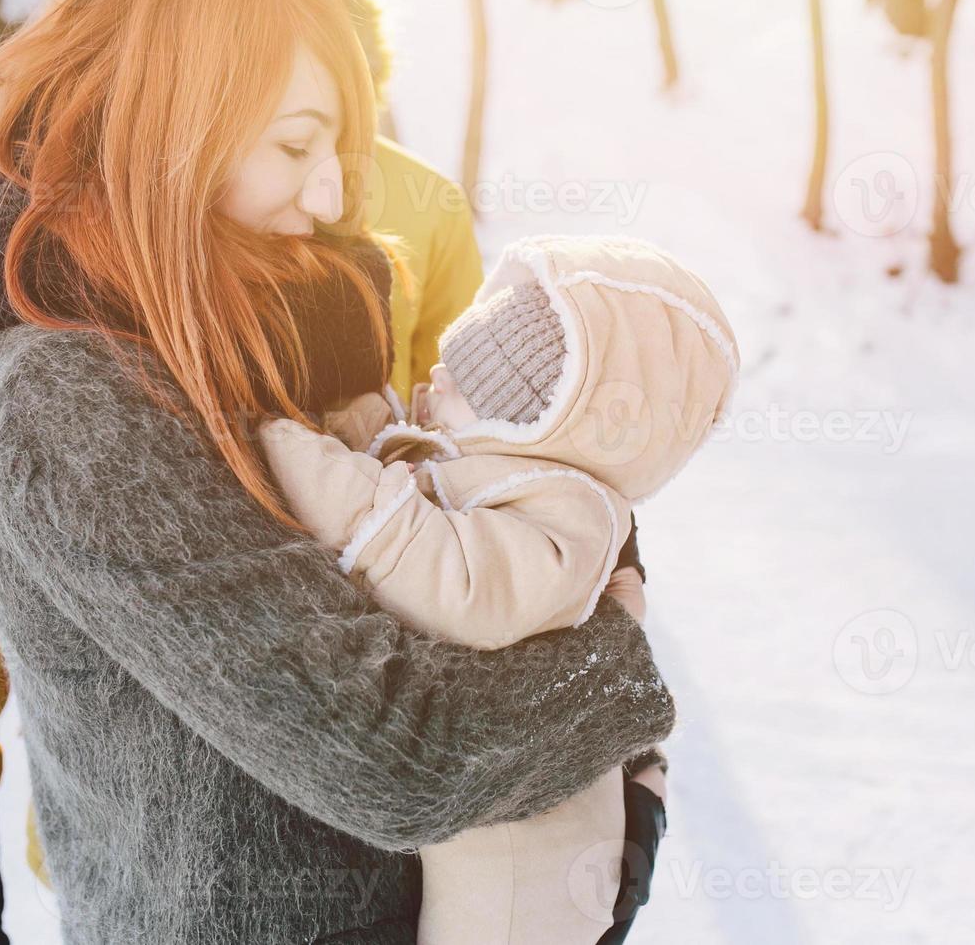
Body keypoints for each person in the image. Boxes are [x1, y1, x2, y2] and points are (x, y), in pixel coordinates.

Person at [0, 0, 673, 943]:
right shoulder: (72, 399)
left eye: (343, 148)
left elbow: (460, 493)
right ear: (169, 126)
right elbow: (399, 750)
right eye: (298, 144)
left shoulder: (277, 324)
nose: (336, 189)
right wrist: (621, 673)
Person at [259, 235, 736, 943]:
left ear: (547, 425)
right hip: (481, 795)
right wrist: (357, 427)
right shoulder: (496, 462)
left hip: (535, 842)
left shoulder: (573, 510)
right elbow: (411, 454)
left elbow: (465, 589)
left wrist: (313, 468)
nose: (439, 374)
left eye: (473, 380)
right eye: (457, 353)